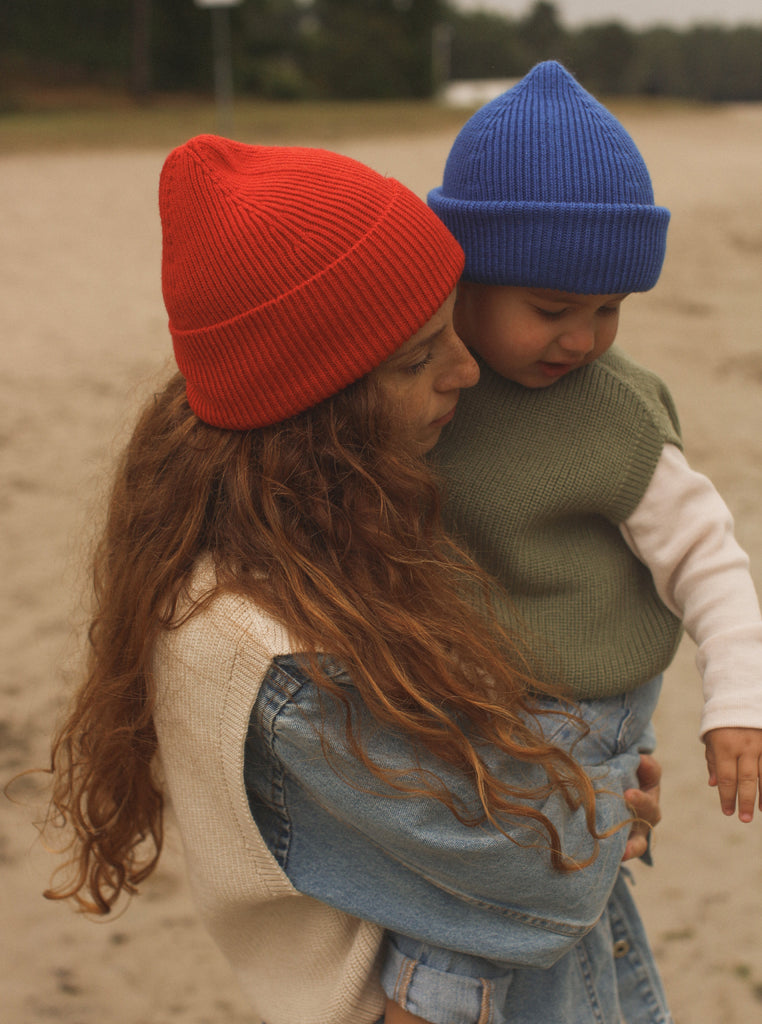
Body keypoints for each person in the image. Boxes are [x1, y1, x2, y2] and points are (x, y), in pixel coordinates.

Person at [43, 135, 664, 1024]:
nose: (467, 371)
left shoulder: (351, 515)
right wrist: (609, 794)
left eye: (453, 326)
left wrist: (598, 801)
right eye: (417, 359)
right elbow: (547, 867)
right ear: (312, 410)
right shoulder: (261, 645)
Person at [378, 60, 762, 1023]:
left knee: (482, 886)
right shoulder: (426, 387)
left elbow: (709, 558)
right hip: (474, 696)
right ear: (462, 273)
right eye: (552, 309)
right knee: (569, 906)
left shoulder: (617, 416)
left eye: (611, 311)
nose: (584, 339)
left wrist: (738, 702)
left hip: (576, 706)